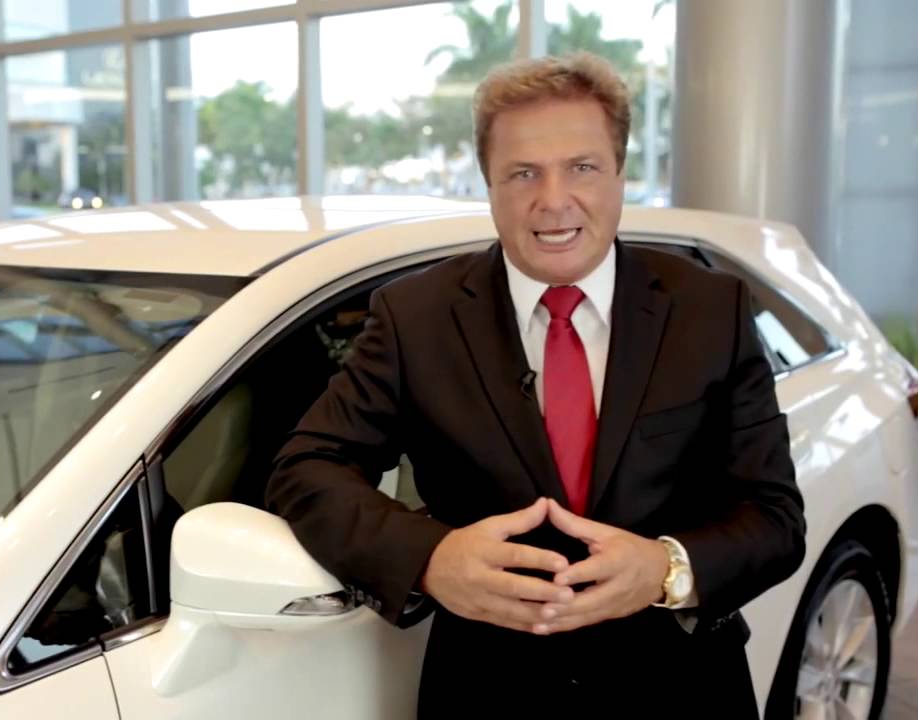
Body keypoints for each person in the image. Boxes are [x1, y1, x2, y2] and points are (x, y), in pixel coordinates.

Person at [265, 51, 806, 718]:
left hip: (682, 691)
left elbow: (775, 518)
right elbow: (307, 466)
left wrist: (666, 569)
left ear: (620, 175)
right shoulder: (415, 317)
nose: (553, 200)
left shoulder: (710, 308)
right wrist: (431, 557)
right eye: (523, 173)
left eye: (582, 167)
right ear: (489, 185)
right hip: (489, 695)